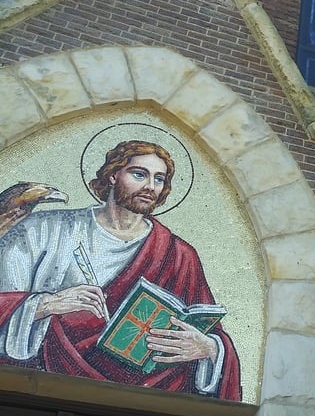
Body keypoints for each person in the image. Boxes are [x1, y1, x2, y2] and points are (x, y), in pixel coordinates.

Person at [0, 140, 241, 400]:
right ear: (113, 175)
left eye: (159, 179)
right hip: (36, 392)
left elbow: (209, 330)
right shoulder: (43, 230)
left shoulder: (179, 255)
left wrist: (208, 348)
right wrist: (47, 304)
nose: (150, 186)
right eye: (139, 174)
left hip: (137, 402)